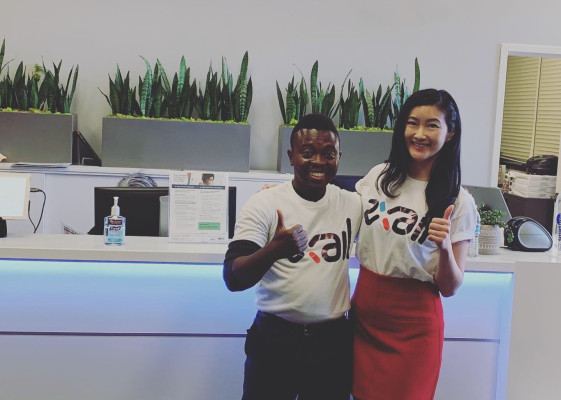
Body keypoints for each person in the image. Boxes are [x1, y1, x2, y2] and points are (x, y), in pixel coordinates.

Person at [223, 113, 362, 400]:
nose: (318, 162)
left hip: (332, 344)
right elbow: (233, 278)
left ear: (339, 157)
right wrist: (274, 250)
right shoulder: (265, 203)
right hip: (275, 340)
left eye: (329, 154)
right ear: (291, 156)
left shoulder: (352, 204)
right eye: (307, 153)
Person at [351, 89, 477, 400]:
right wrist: (287, 197)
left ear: (450, 133)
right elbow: (339, 212)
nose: (420, 134)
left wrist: (445, 248)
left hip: (415, 327)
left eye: (432, 125)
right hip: (364, 315)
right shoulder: (378, 177)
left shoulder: (459, 200)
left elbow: (450, 287)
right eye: (412, 123)